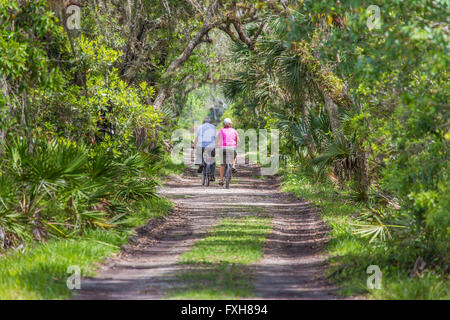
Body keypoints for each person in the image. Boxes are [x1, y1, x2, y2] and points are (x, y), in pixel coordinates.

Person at [216, 118, 240, 186]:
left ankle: (221, 179)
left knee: (222, 164)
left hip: (223, 148)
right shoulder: (234, 131)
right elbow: (238, 141)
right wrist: (238, 145)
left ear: (223, 124)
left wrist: (217, 145)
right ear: (231, 124)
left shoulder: (221, 131)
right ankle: (233, 165)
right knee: (235, 156)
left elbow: (217, 140)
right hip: (232, 148)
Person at [194, 116, 216, 181]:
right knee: (213, 159)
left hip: (201, 145)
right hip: (211, 146)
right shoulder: (213, 127)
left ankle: (200, 163)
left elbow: (196, 138)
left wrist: (194, 145)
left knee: (199, 153)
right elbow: (216, 137)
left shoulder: (199, 127)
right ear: (209, 122)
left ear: (203, 122)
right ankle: (212, 175)